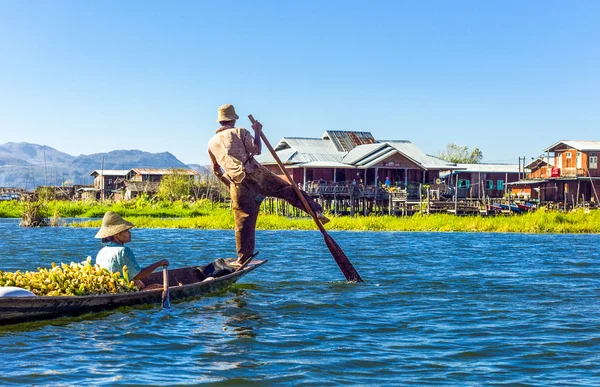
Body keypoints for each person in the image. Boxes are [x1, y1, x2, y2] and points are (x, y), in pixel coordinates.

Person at [208, 104, 329, 267]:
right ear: (233, 119)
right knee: (287, 190)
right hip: (255, 173)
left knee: (243, 220)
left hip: (237, 182)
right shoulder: (240, 132)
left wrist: (230, 185)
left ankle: (243, 257)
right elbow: (257, 150)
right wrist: (257, 130)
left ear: (220, 121)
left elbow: (216, 170)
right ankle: (315, 211)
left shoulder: (211, 143)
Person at [95, 211, 168, 288]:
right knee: (158, 287)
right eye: (126, 230)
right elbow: (138, 275)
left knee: (139, 283)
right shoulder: (123, 251)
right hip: (120, 288)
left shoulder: (101, 252)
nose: (130, 233)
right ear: (116, 234)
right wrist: (159, 264)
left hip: (108, 287)